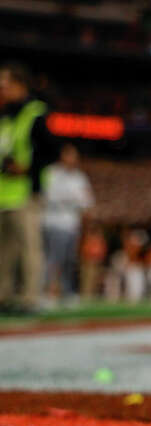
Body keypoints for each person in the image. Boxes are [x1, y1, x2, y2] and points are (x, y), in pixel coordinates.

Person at [0, 62, 57, 312]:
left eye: (5, 84)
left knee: (29, 248)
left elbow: (52, 151)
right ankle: (3, 296)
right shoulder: (5, 115)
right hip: (3, 193)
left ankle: (30, 297)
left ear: (19, 85)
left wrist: (27, 169)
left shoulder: (34, 113)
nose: (1, 89)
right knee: (4, 251)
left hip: (26, 193)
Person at [42, 143, 93, 300]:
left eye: (74, 156)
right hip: (54, 222)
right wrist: (73, 199)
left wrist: (69, 199)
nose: (71, 159)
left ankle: (67, 291)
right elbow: (48, 196)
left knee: (69, 260)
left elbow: (87, 201)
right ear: (62, 156)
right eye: (68, 155)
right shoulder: (51, 173)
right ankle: (46, 291)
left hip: (72, 224)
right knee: (53, 259)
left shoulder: (80, 177)